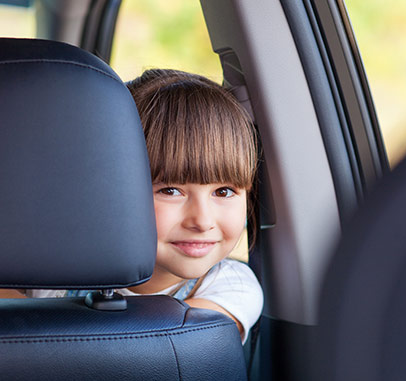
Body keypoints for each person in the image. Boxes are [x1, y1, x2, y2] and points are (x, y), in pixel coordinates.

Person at [17, 69, 264, 343]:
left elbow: (167, 351)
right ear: (111, 193)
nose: (202, 220)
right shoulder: (53, 276)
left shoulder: (230, 287)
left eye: (224, 191)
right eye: (171, 190)